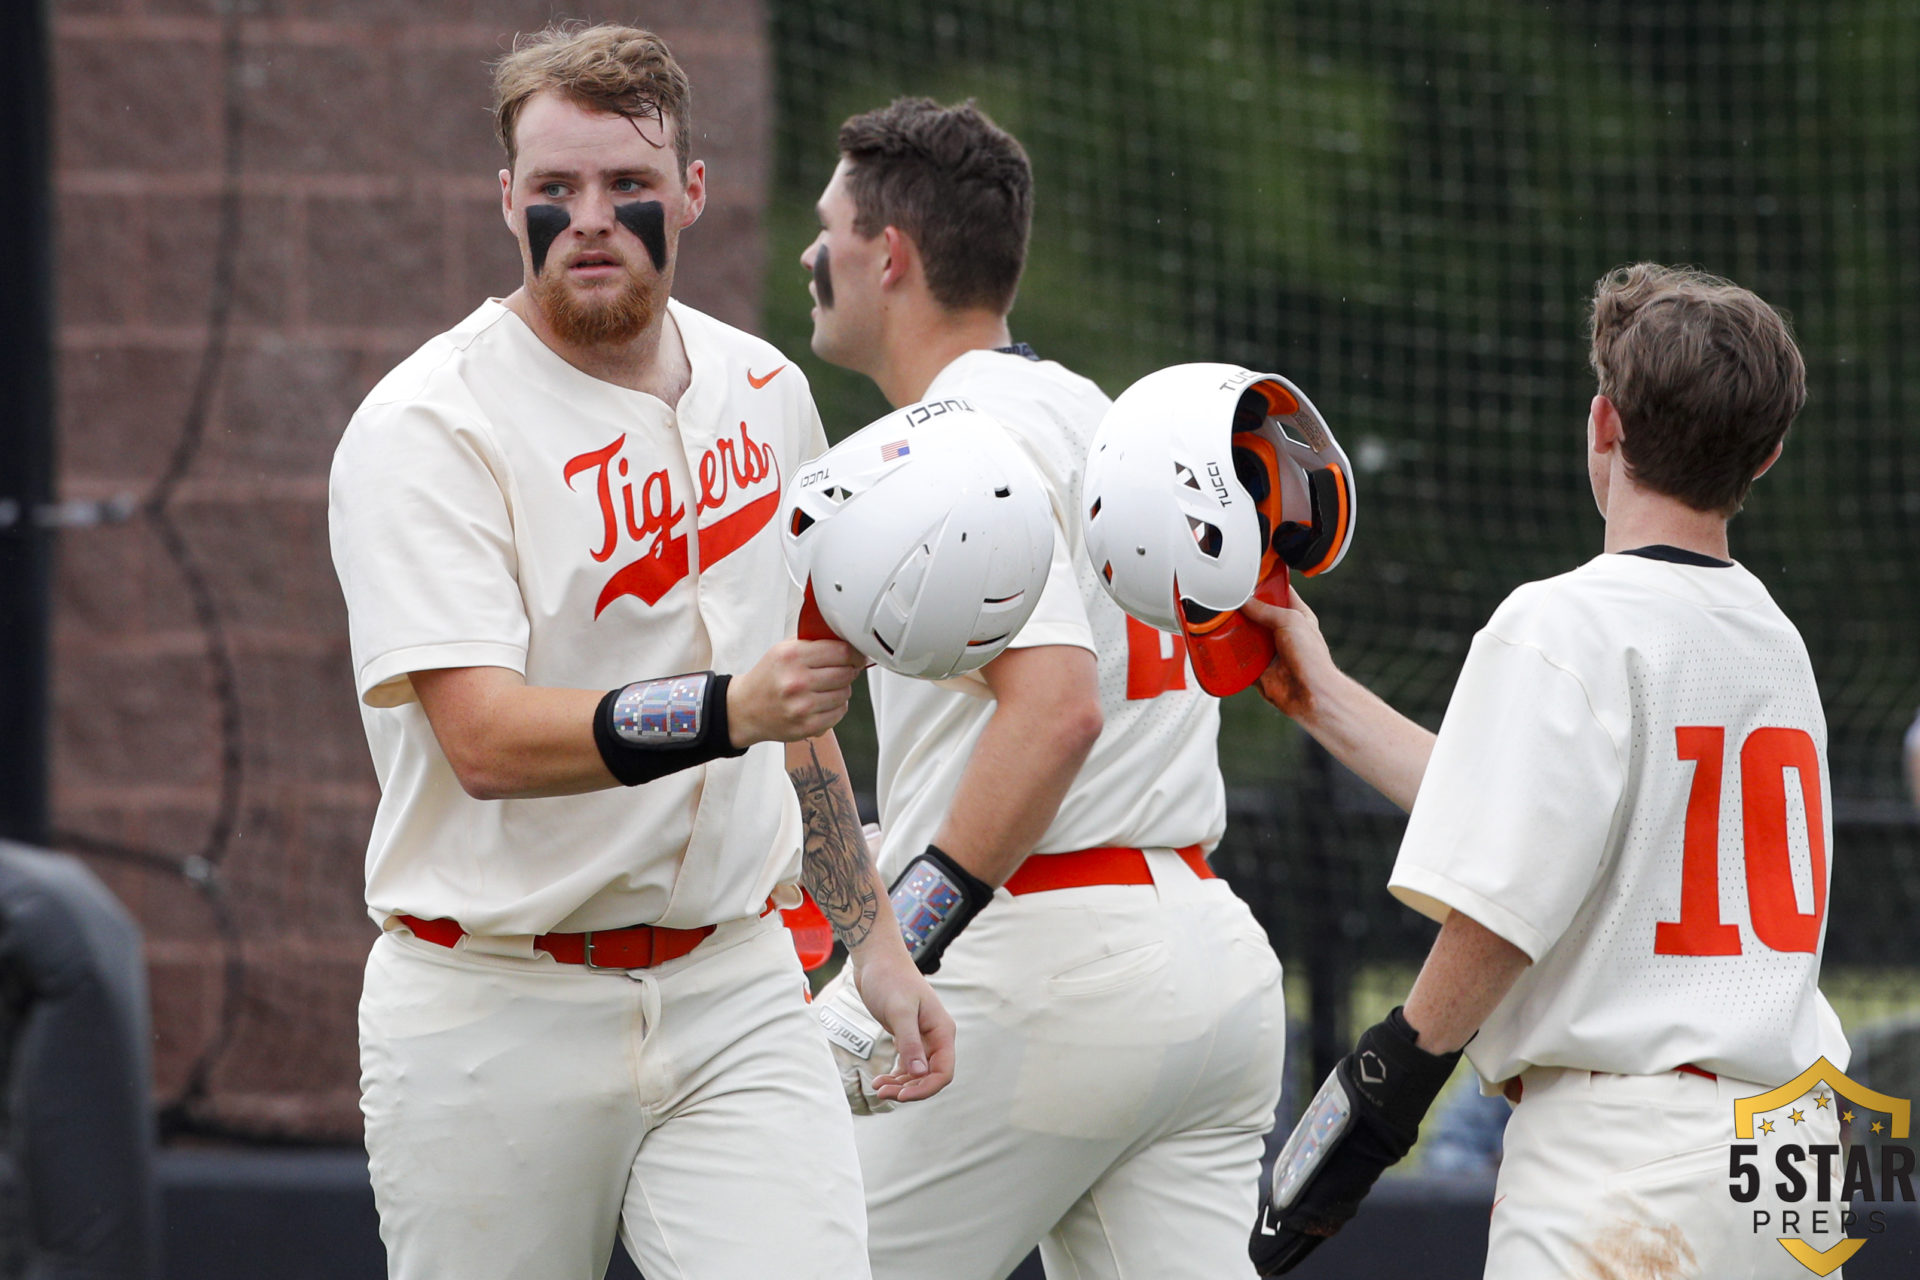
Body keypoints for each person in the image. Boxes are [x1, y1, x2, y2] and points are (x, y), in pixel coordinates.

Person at [325, 25, 952, 1280]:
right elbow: (486, 739)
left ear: (693, 195)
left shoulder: (766, 387)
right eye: (553, 189)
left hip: (736, 990)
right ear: (507, 198)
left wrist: (874, 941)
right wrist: (731, 706)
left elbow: (799, 710)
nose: (589, 219)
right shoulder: (426, 423)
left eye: (629, 188)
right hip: (494, 1006)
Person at [1244, 263, 1849, 1277]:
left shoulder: (1561, 619)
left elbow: (1505, 894)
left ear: (1601, 423)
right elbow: (1540, 816)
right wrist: (1325, 697)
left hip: (1630, 1148)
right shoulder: (1774, 640)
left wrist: (1388, 1083)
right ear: (1770, 454)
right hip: (1800, 1151)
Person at [800, 97, 1289, 1280]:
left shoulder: (945, 441)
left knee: (762, 1223)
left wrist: (903, 932)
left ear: (890, 255)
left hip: (1040, 951)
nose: (809, 256)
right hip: (1205, 957)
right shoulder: (1100, 409)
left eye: (828, 229)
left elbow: (1058, 706)